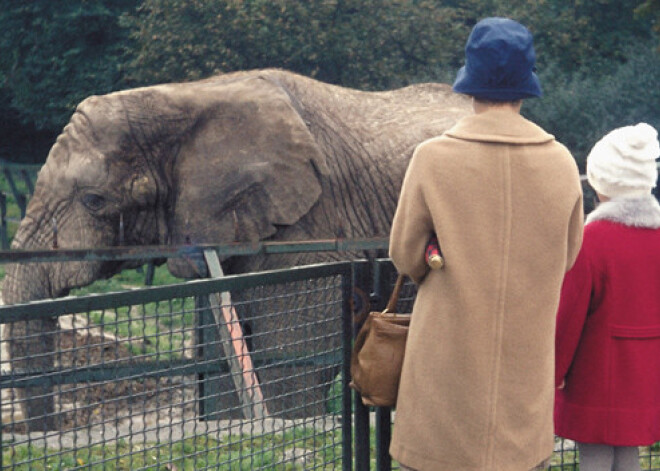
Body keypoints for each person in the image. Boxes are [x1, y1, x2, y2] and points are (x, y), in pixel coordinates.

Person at [388, 17, 584, 471]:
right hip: (525, 367)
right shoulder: (560, 162)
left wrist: (437, 254)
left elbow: (403, 253)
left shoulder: (433, 157)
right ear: (527, 83)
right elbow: (569, 254)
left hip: (446, 366)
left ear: (469, 81)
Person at [554, 123, 660, 471]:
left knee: (595, 457)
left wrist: (552, 372)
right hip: (646, 371)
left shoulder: (592, 240)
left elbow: (568, 316)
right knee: (628, 454)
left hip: (596, 374)